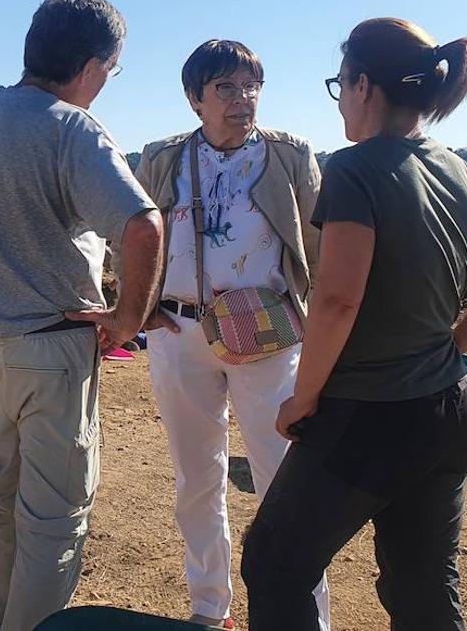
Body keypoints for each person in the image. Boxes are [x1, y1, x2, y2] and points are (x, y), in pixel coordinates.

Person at [242, 18, 467, 630]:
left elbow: (338, 299)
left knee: (275, 564)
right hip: (448, 412)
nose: (341, 97)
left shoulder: (354, 169)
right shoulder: (455, 168)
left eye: (339, 84)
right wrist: (455, 343)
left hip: (367, 416)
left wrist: (304, 396)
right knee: (422, 584)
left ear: (363, 86)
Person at [0, 0, 163, 631]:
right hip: (52, 352)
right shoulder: (71, 129)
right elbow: (142, 226)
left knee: (7, 498)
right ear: (91, 65)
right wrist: (128, 321)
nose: (105, 86)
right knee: (55, 520)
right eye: (110, 72)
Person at [134, 40, 328, 628]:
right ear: (196, 100)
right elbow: (135, 234)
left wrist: (324, 326)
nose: (242, 101)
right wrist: (138, 308)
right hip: (178, 330)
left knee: (283, 478)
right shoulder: (163, 158)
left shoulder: (289, 156)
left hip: (269, 335)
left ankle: (301, 618)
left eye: (251, 87)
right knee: (197, 477)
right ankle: (207, 610)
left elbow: (320, 247)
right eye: (226, 89)